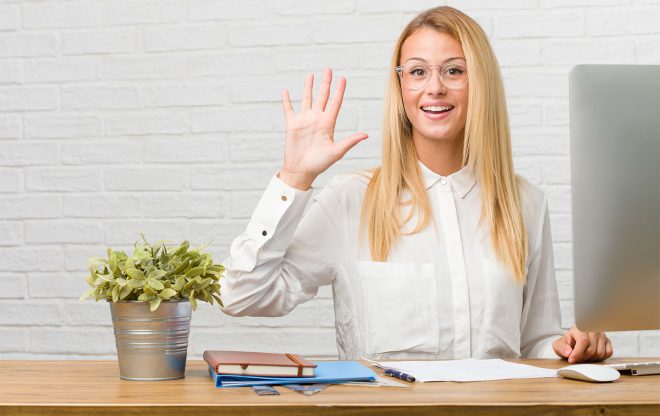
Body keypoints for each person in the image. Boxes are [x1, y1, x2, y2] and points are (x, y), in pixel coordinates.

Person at [220, 6, 613, 363]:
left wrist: (568, 347)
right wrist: (295, 177)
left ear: (481, 83)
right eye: (418, 71)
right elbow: (242, 296)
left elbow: (535, 341)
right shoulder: (351, 199)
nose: (435, 87)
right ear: (401, 86)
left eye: (454, 70)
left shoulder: (525, 202)